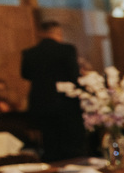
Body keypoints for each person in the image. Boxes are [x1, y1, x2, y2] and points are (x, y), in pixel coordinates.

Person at [21, 20, 86, 161]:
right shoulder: (66, 49)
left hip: (40, 102)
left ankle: (52, 166)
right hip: (64, 102)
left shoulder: (29, 53)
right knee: (70, 142)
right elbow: (73, 75)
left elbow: (25, 74)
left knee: (49, 142)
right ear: (58, 33)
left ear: (40, 33)